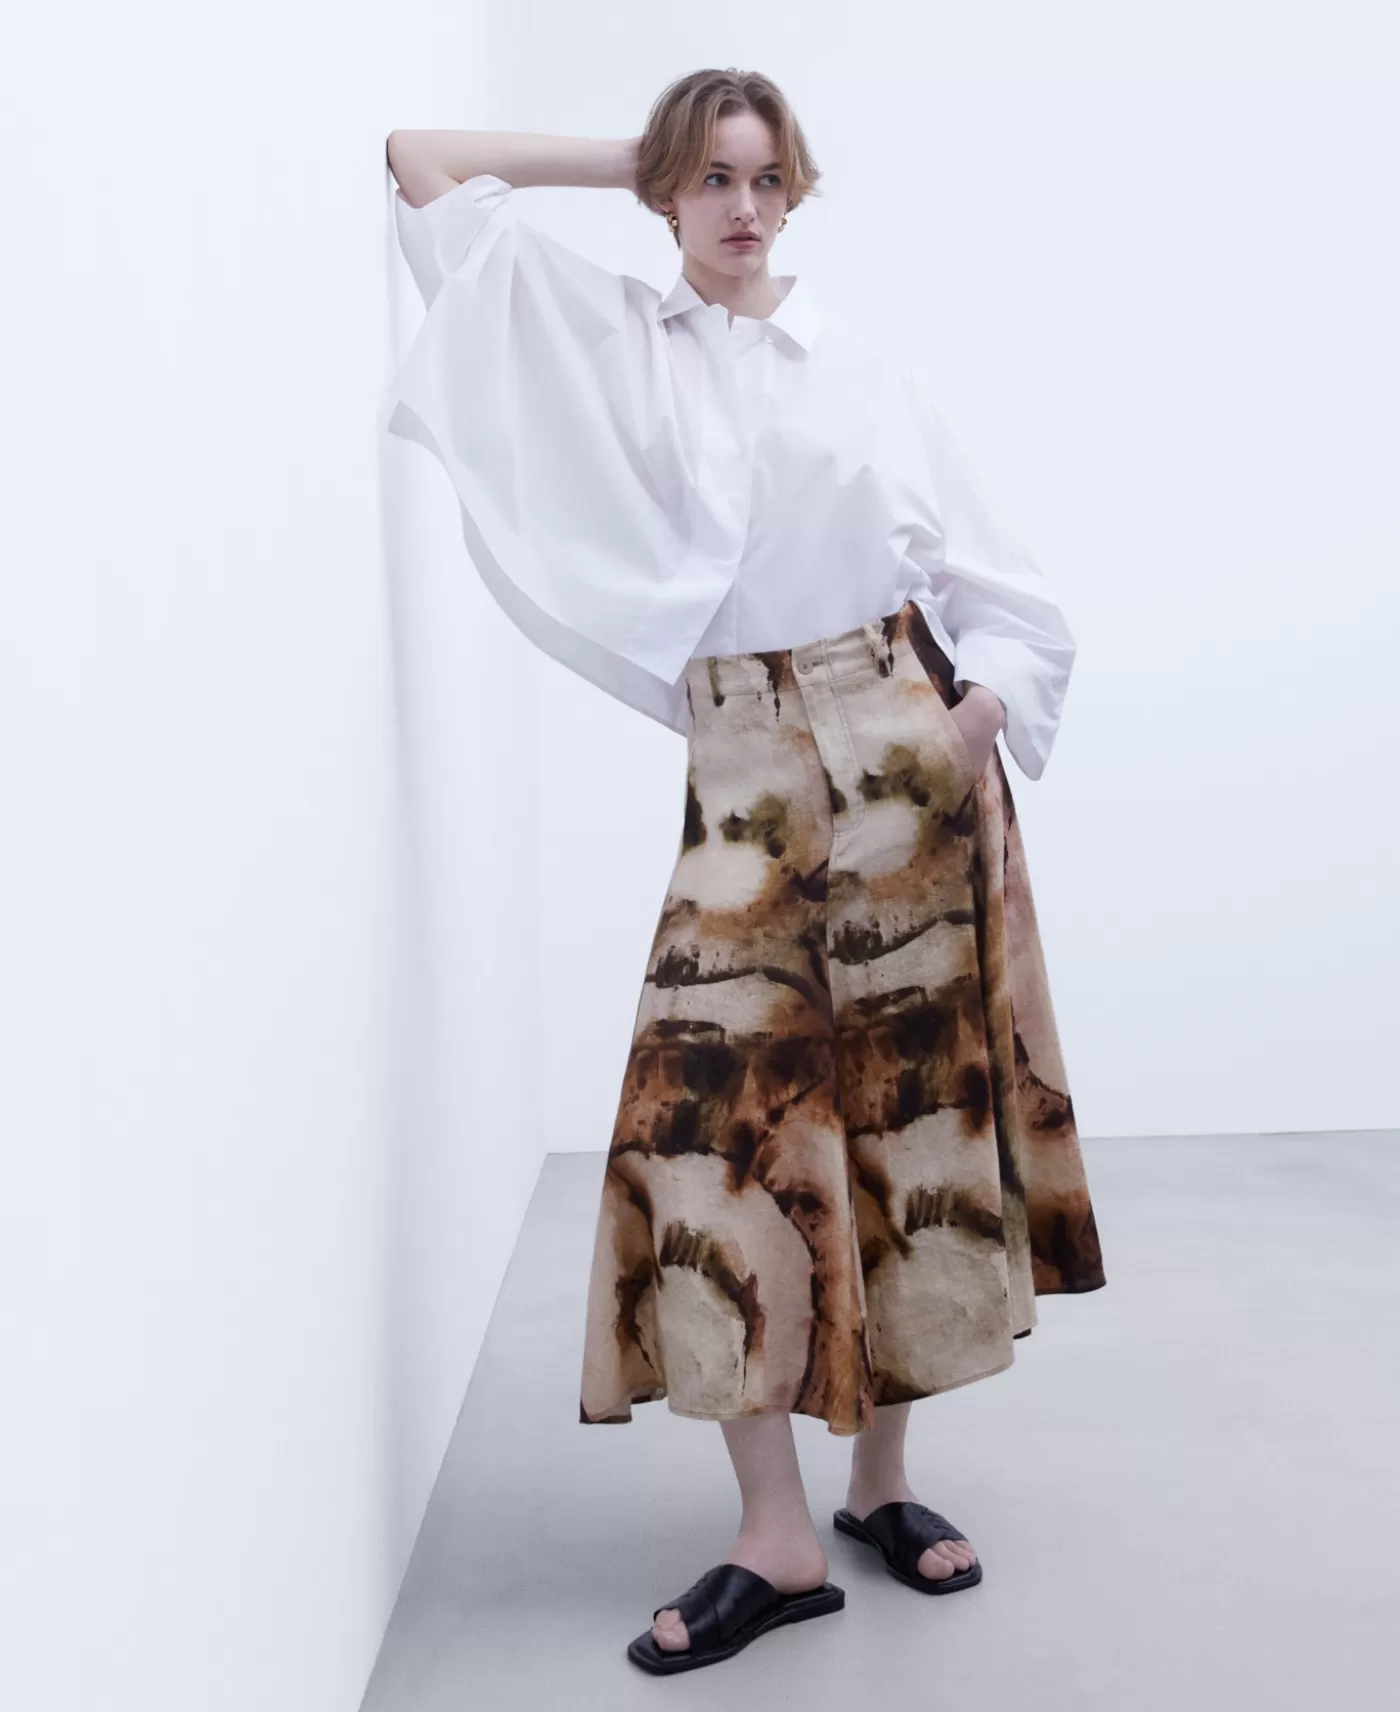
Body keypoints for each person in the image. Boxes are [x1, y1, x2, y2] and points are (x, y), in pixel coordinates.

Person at [385, 66, 1106, 1677]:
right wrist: (629, 154)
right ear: (670, 190)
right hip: (743, 774)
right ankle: (772, 1535)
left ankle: (879, 1487)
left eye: (768, 178)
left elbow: (1005, 589)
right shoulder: (608, 342)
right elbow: (421, 162)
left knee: (909, 1130)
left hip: (907, 758)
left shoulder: (859, 370)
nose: (745, 207)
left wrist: (977, 715)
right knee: (708, 1134)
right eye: (712, 177)